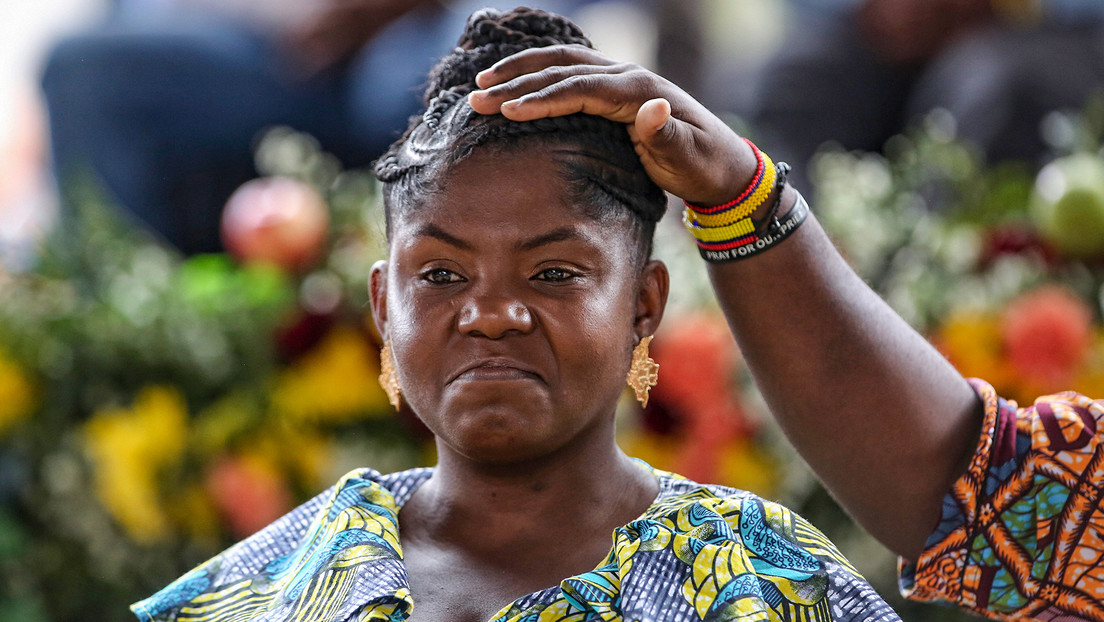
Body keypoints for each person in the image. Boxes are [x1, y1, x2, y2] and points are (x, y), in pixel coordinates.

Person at [131, 8, 903, 622]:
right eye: (439, 273)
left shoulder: (765, 580)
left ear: (644, 303)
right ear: (382, 307)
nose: (493, 313)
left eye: (554, 273)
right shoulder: (262, 591)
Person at [39, 0, 601, 254]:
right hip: (261, 46)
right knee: (84, 71)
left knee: (468, 68)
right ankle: (119, 339)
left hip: (408, 32)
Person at [738, 0, 1104, 190]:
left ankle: (937, 298)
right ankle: (796, 274)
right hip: (883, 33)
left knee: (993, 99)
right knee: (785, 90)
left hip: (1046, 32)